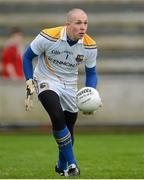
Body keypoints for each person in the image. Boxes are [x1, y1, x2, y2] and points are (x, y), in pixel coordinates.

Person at [23, 8, 98, 177]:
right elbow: (27, 57)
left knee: (69, 125)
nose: (83, 27)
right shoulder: (48, 36)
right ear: (68, 24)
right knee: (57, 116)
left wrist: (91, 93)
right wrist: (29, 80)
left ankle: (61, 164)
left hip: (70, 86)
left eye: (85, 23)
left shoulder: (90, 45)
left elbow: (92, 73)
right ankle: (72, 165)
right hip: (45, 79)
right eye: (78, 23)